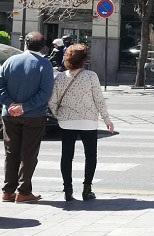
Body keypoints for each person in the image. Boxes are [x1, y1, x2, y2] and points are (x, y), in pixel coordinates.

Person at [49, 44, 113, 201]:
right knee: (90, 155)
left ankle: (68, 190)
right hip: (88, 121)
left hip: (67, 122)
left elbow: (52, 101)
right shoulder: (91, 76)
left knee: (67, 156)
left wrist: (59, 115)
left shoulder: (60, 77)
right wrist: (107, 119)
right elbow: (99, 100)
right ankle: (87, 189)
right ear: (84, 60)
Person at [0, 32, 54, 203]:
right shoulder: (45, 64)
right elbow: (45, 93)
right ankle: (23, 192)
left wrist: (10, 105)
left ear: (26, 44)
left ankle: (8, 191)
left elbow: (1, 86)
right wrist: (24, 107)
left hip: (9, 115)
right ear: (44, 46)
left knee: (11, 153)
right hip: (33, 116)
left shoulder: (10, 61)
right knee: (28, 154)